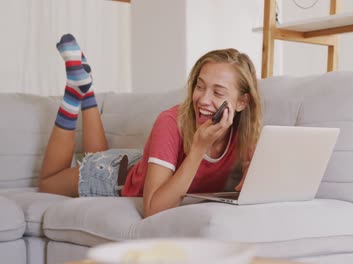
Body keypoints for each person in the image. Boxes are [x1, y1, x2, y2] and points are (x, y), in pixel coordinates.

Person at [39, 34, 262, 218]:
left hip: (140, 163)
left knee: (98, 153)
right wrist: (198, 149)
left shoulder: (247, 133)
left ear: (242, 102)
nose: (203, 99)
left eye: (217, 92)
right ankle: (73, 94)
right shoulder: (171, 122)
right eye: (200, 86)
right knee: (48, 183)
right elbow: (153, 210)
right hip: (111, 175)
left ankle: (86, 89)